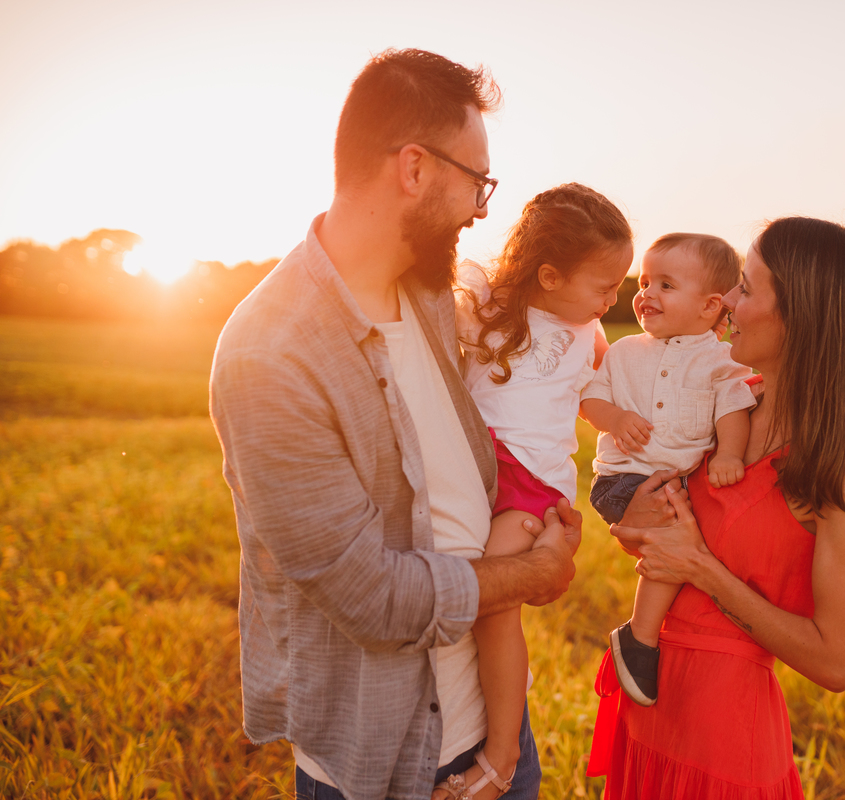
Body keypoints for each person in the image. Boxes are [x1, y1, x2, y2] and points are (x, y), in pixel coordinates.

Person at [209, 49, 581, 800]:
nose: (483, 207)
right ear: (413, 169)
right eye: (477, 180)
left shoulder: (436, 296)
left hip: (497, 740)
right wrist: (532, 577)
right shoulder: (270, 355)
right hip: (385, 763)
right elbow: (372, 598)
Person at [587, 216, 845, 799]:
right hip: (647, 710)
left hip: (722, 741)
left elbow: (837, 664)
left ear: (801, 316)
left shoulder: (840, 470)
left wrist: (700, 567)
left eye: (748, 289)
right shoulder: (723, 411)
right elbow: (651, 525)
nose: (726, 300)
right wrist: (632, 525)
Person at [443, 183, 633, 799]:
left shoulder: (589, 337)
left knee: (493, 606)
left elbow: (594, 400)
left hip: (531, 487)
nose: (614, 298)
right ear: (549, 276)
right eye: (603, 286)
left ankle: (499, 754)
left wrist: (618, 422)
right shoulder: (485, 303)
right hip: (473, 469)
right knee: (472, 589)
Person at [578, 233, 756, 707]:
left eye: (666, 285)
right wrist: (614, 419)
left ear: (710, 305)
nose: (646, 293)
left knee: (692, 535)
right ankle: (641, 636)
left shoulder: (720, 361)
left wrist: (728, 455)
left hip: (678, 482)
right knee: (676, 535)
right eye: (644, 281)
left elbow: (733, 408)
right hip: (621, 479)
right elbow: (590, 399)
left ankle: (655, 633)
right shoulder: (624, 352)